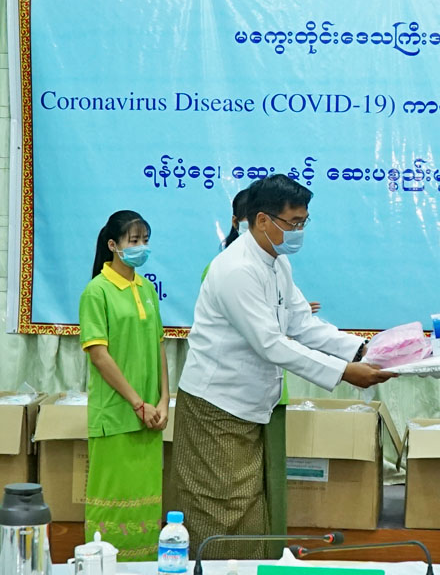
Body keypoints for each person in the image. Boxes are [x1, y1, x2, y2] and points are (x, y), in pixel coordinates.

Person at [170, 174, 394, 559]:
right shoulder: (236, 269)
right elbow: (271, 343)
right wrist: (343, 373)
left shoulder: (277, 262)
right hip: (216, 408)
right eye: (293, 223)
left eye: (304, 222)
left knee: (251, 505)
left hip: (252, 407)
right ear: (262, 220)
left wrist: (360, 351)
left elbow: (301, 323)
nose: (299, 232)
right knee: (219, 507)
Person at [80, 210, 169, 561]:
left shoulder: (146, 289)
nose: (141, 247)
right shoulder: (96, 291)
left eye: (145, 240)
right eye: (134, 240)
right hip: (117, 416)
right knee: (112, 502)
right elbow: (99, 355)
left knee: (146, 505)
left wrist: (164, 400)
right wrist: (137, 403)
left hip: (150, 418)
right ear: (113, 245)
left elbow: (159, 347)